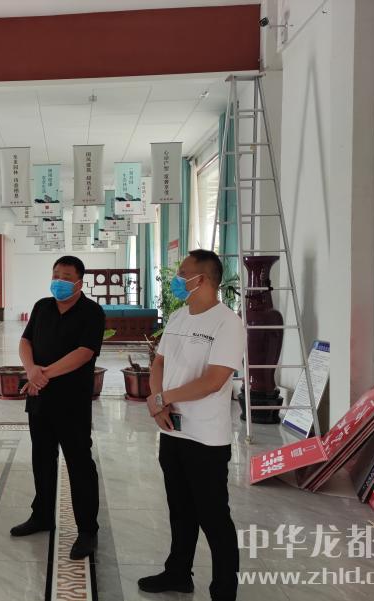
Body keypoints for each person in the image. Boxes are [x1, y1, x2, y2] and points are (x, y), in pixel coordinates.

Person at [138, 249, 244, 601]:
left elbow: (213, 381)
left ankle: (224, 590)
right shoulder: (178, 317)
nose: (177, 279)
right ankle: (178, 572)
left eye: (183, 273)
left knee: (213, 516)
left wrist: (163, 398)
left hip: (205, 437)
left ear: (204, 279)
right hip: (173, 430)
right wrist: (158, 401)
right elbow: (158, 363)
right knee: (180, 509)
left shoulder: (227, 323)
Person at [10, 255, 105, 560]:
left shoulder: (91, 312)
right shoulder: (42, 307)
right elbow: (25, 342)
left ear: (79, 282)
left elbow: (84, 353)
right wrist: (31, 370)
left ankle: (87, 530)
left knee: (79, 464)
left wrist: (43, 374)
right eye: (55, 275)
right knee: (42, 459)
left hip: (72, 403)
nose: (59, 281)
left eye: (65, 277)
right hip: (39, 399)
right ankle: (41, 516)